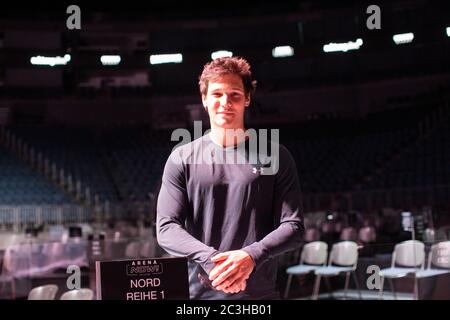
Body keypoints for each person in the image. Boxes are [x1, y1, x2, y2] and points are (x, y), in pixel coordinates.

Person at [156, 56, 304, 299]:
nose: (225, 102)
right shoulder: (181, 158)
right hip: (200, 293)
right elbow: (166, 228)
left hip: (259, 294)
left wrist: (250, 256)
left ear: (247, 98)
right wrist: (212, 260)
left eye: (234, 94)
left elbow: (293, 226)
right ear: (204, 99)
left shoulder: (276, 155)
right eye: (217, 94)